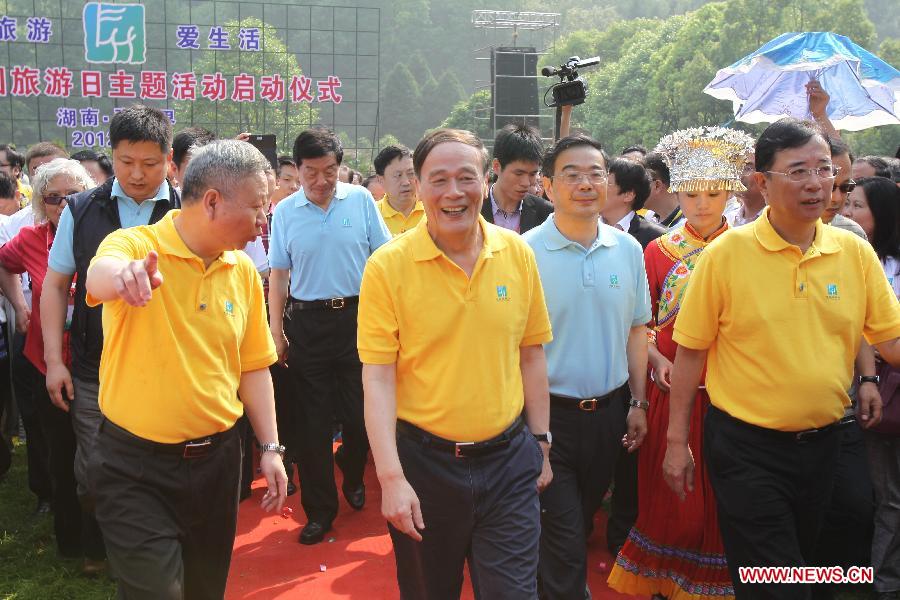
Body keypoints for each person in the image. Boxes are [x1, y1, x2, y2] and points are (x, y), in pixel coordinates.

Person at [663, 118, 900, 600]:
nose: (815, 183)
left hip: (831, 443)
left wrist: (870, 379)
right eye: (797, 171)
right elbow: (690, 353)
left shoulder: (853, 253)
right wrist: (675, 441)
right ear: (762, 182)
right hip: (748, 449)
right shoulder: (726, 255)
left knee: (832, 569)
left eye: (824, 169)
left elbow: (891, 340)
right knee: (775, 582)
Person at [84, 139, 285, 599]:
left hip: (217, 464)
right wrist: (125, 278)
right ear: (212, 200)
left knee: (203, 590)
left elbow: (253, 368)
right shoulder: (139, 244)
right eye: (257, 208)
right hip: (135, 467)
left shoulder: (243, 272)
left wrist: (271, 447)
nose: (263, 222)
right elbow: (102, 272)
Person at [359, 128, 553, 599]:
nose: (453, 193)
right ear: (418, 187)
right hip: (425, 466)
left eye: (465, 178)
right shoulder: (388, 267)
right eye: (438, 179)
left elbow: (531, 352)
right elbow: (379, 378)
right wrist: (391, 477)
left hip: (508, 461)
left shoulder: (517, 253)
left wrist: (542, 442)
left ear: (485, 182)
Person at [608, 126, 754, 600]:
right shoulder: (657, 251)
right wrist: (652, 357)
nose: (702, 204)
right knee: (667, 490)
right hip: (668, 388)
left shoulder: (749, 249)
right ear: (675, 193)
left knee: (721, 490)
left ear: (730, 191)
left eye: (713, 193)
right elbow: (640, 322)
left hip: (732, 388)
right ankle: (662, 580)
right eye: (691, 194)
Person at [41, 105, 181, 556]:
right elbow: (56, 286)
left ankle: (150, 552)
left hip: (168, 367)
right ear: (112, 156)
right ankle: (108, 545)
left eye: (150, 163)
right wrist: (54, 362)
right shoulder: (81, 210)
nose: (137, 174)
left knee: (162, 464)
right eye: (126, 162)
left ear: (169, 160)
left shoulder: (188, 208)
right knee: (95, 470)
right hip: (94, 369)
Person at [523, 134, 650, 599]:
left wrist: (638, 402)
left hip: (610, 415)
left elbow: (638, 330)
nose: (585, 183)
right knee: (565, 536)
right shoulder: (524, 253)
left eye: (596, 174)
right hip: (547, 418)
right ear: (548, 185)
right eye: (571, 175)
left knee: (577, 524)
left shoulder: (628, 250)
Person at [268, 128, 391, 545]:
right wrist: (276, 331)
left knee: (360, 418)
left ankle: (353, 469)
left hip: (359, 319)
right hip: (308, 325)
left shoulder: (359, 201)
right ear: (297, 170)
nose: (321, 181)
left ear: (340, 168)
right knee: (312, 425)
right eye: (311, 172)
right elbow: (279, 275)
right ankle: (320, 511)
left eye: (330, 171)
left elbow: (383, 260)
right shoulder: (285, 212)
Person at [0, 158, 107, 571]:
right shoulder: (28, 239)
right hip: (47, 367)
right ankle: (74, 547)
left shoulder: (102, 237)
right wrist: (21, 305)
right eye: (53, 198)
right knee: (62, 458)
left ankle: (104, 543)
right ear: (40, 203)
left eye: (72, 196)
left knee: (98, 460)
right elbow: (4, 265)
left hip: (96, 367)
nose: (63, 205)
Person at [842, 176, 900, 599]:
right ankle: (879, 579)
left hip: (882, 384)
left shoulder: (887, 266)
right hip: (868, 392)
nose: (847, 212)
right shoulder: (848, 257)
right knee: (881, 496)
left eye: (857, 205)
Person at [481, 123, 553, 234]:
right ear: (496, 166)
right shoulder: (474, 209)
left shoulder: (546, 213)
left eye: (533, 174)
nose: (526, 183)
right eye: (519, 173)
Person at [601, 157, 666, 247]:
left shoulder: (656, 238)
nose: (597, 187)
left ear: (628, 195)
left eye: (607, 183)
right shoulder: (585, 229)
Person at [374, 145, 424, 236]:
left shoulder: (431, 210)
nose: (406, 182)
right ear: (380, 180)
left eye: (411, 173)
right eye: (398, 175)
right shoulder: (372, 215)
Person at [643, 151, 686, 229]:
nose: (635, 188)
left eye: (641, 182)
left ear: (657, 185)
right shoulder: (648, 218)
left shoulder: (687, 226)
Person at [723, 152, 767, 227]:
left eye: (747, 168)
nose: (738, 175)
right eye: (736, 168)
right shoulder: (727, 221)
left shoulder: (775, 221)